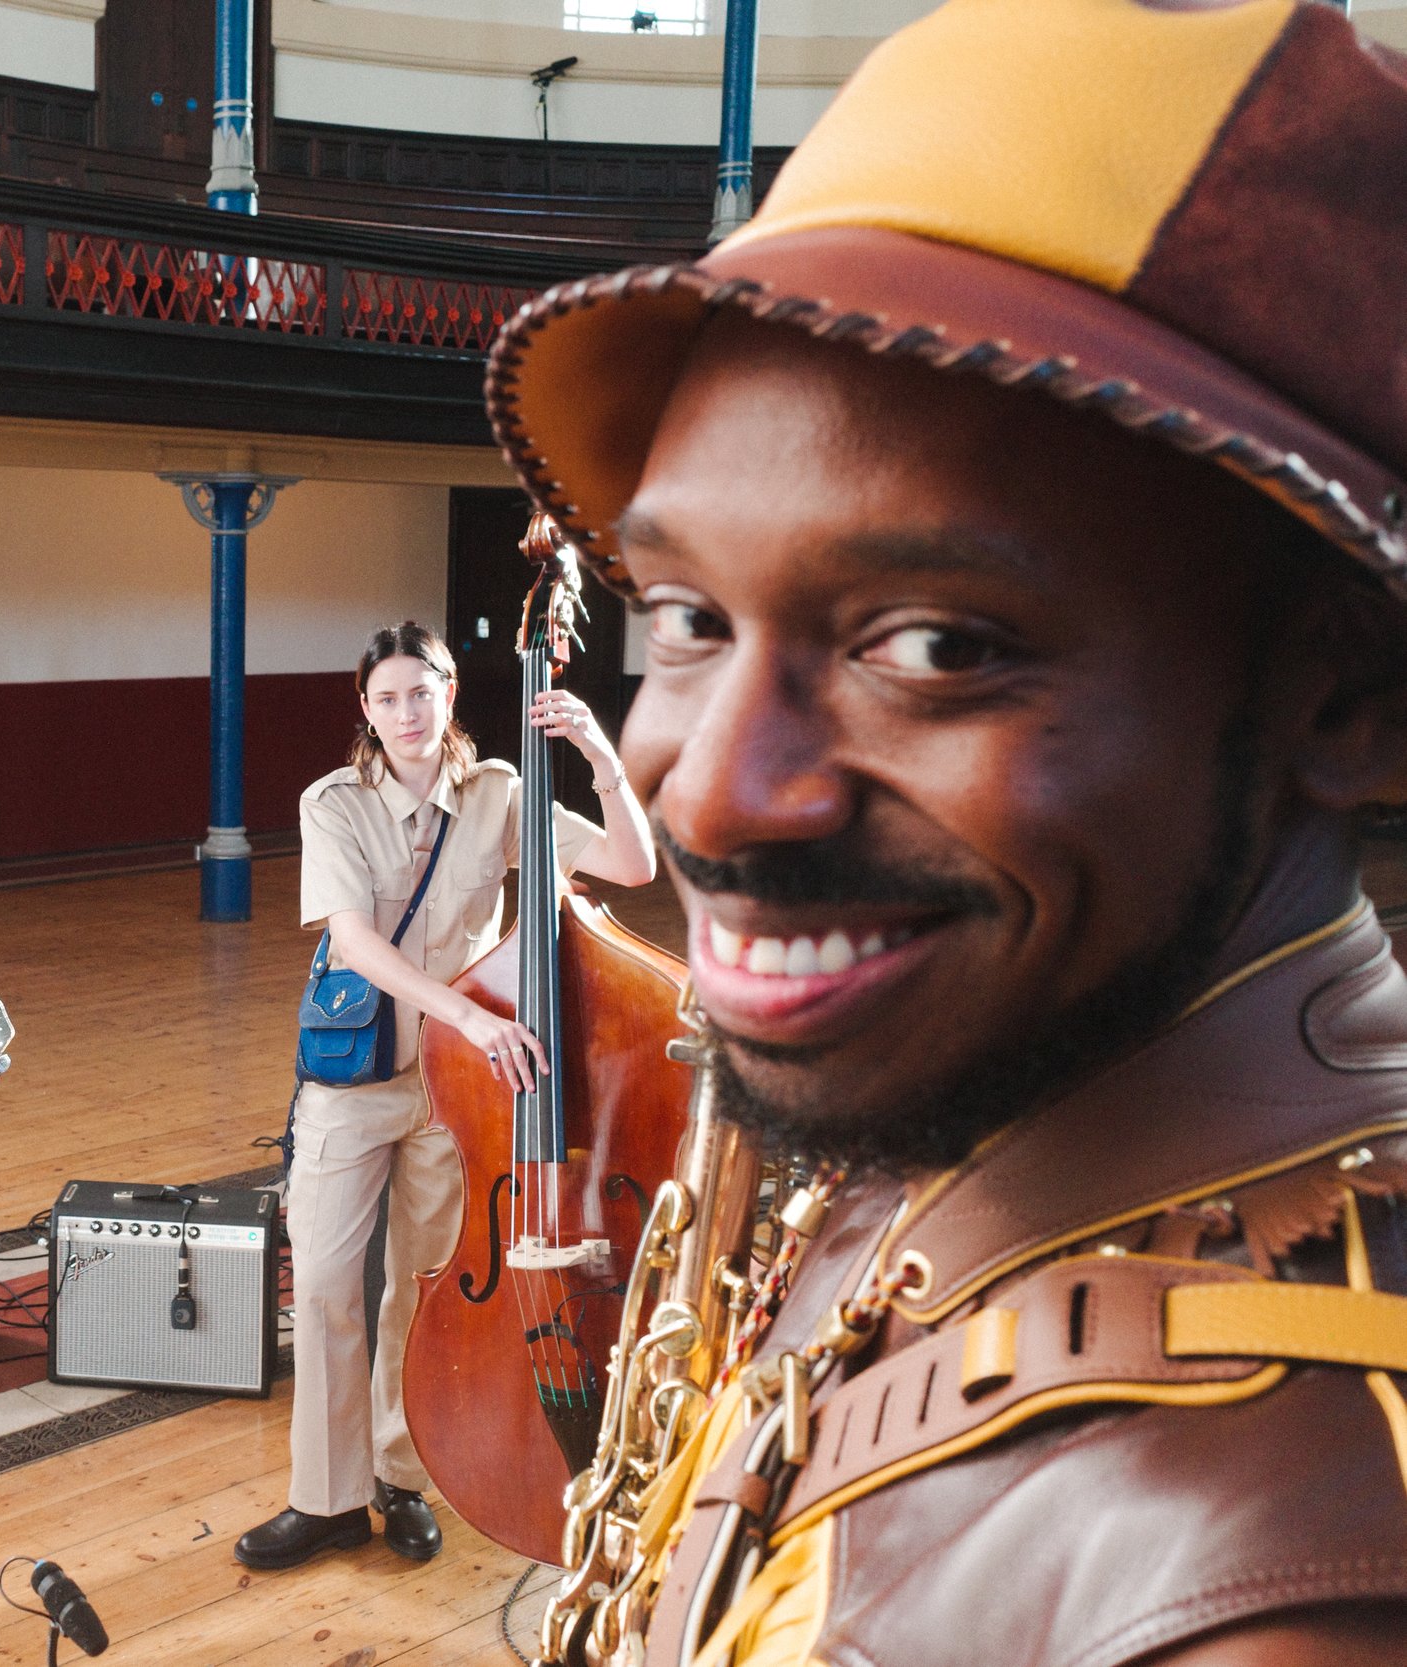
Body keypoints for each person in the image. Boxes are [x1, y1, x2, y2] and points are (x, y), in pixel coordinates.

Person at [482, 0, 1407, 1660]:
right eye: (684, 615)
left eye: (936, 646)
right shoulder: (981, 1055)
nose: (704, 792)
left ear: (1351, 704)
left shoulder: (1274, 1595)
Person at [235, 620, 654, 1570]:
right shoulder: (333, 802)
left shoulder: (504, 792)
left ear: (453, 693)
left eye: (421, 692)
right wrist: (465, 1015)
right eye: (386, 698)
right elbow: (355, 944)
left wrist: (595, 750)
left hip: (459, 1093)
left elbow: (634, 866)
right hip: (357, 1079)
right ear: (366, 709)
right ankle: (327, 1499)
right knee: (334, 1286)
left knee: (420, 1291)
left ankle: (398, 1477)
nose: (406, 713)